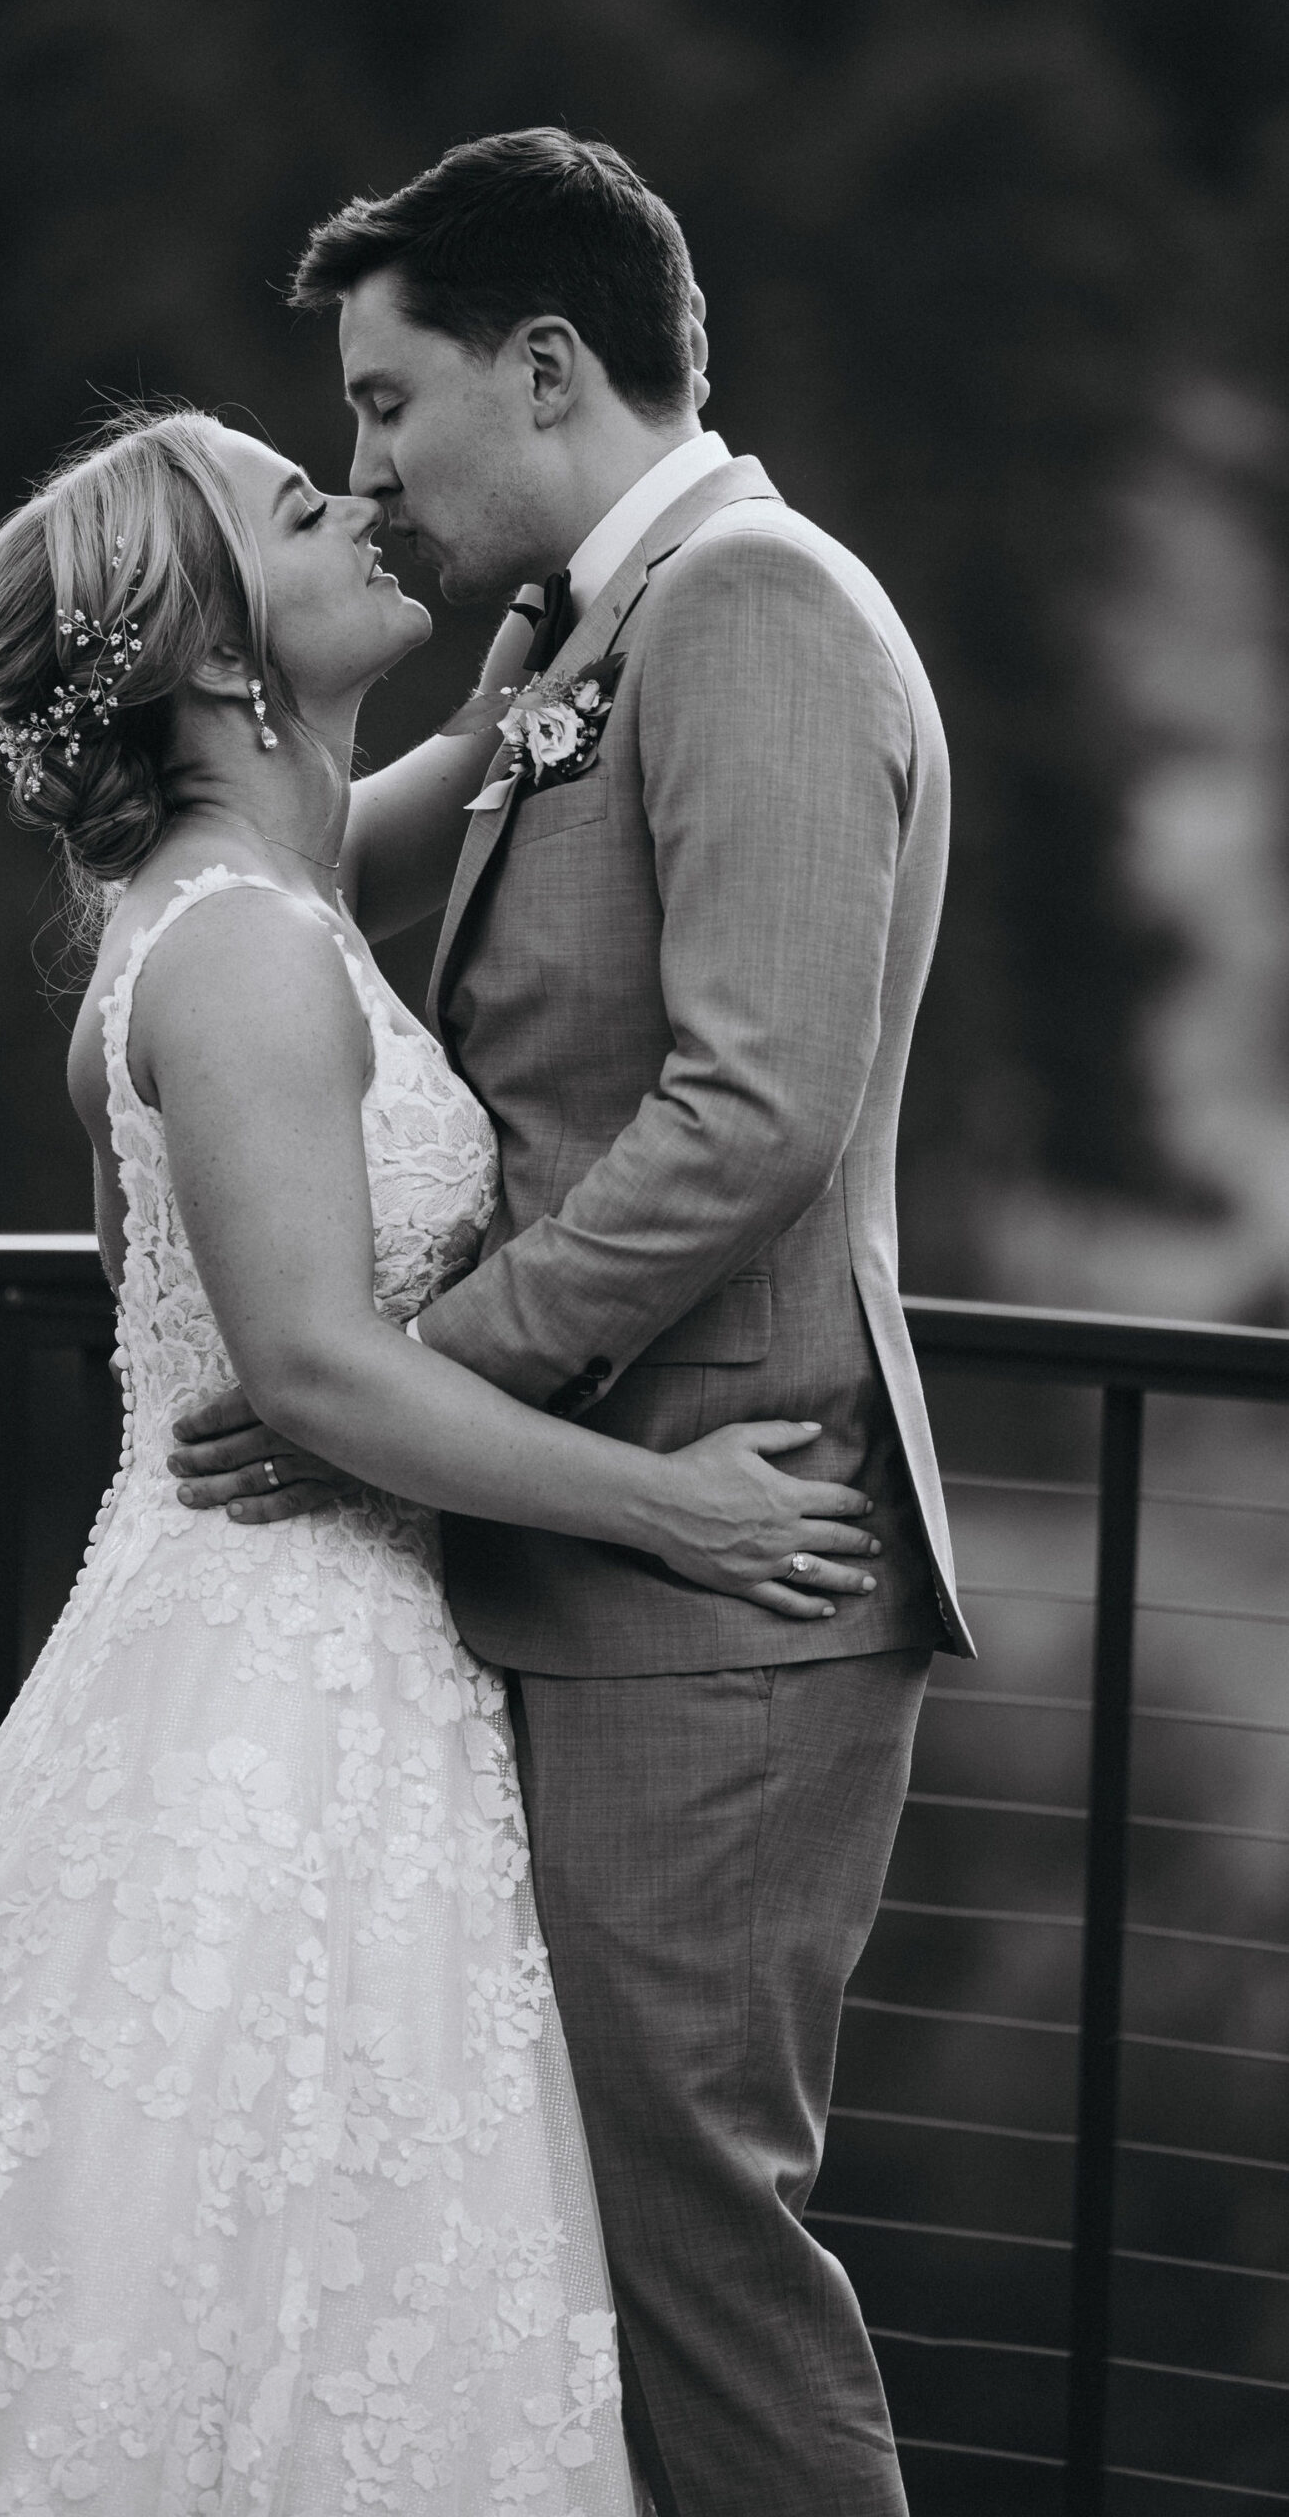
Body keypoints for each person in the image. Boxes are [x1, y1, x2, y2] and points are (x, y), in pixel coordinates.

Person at [0, 396, 883, 2514]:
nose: (362, 498)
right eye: (304, 503)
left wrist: (552, 630)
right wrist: (674, 1505)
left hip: (306, 1653)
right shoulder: (235, 950)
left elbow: (433, 788)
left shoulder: (263, 884)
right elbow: (313, 1372)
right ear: (222, 651)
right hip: (271, 1679)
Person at [171, 129, 976, 2516]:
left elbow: (751, 1111)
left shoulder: (752, 612)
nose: (365, 470)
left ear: (541, 370)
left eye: (382, 401)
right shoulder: (575, 635)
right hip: (592, 1568)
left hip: (722, 1583)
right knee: (558, 2255)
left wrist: (403, 1388)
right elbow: (275, 875)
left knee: (688, 2248)